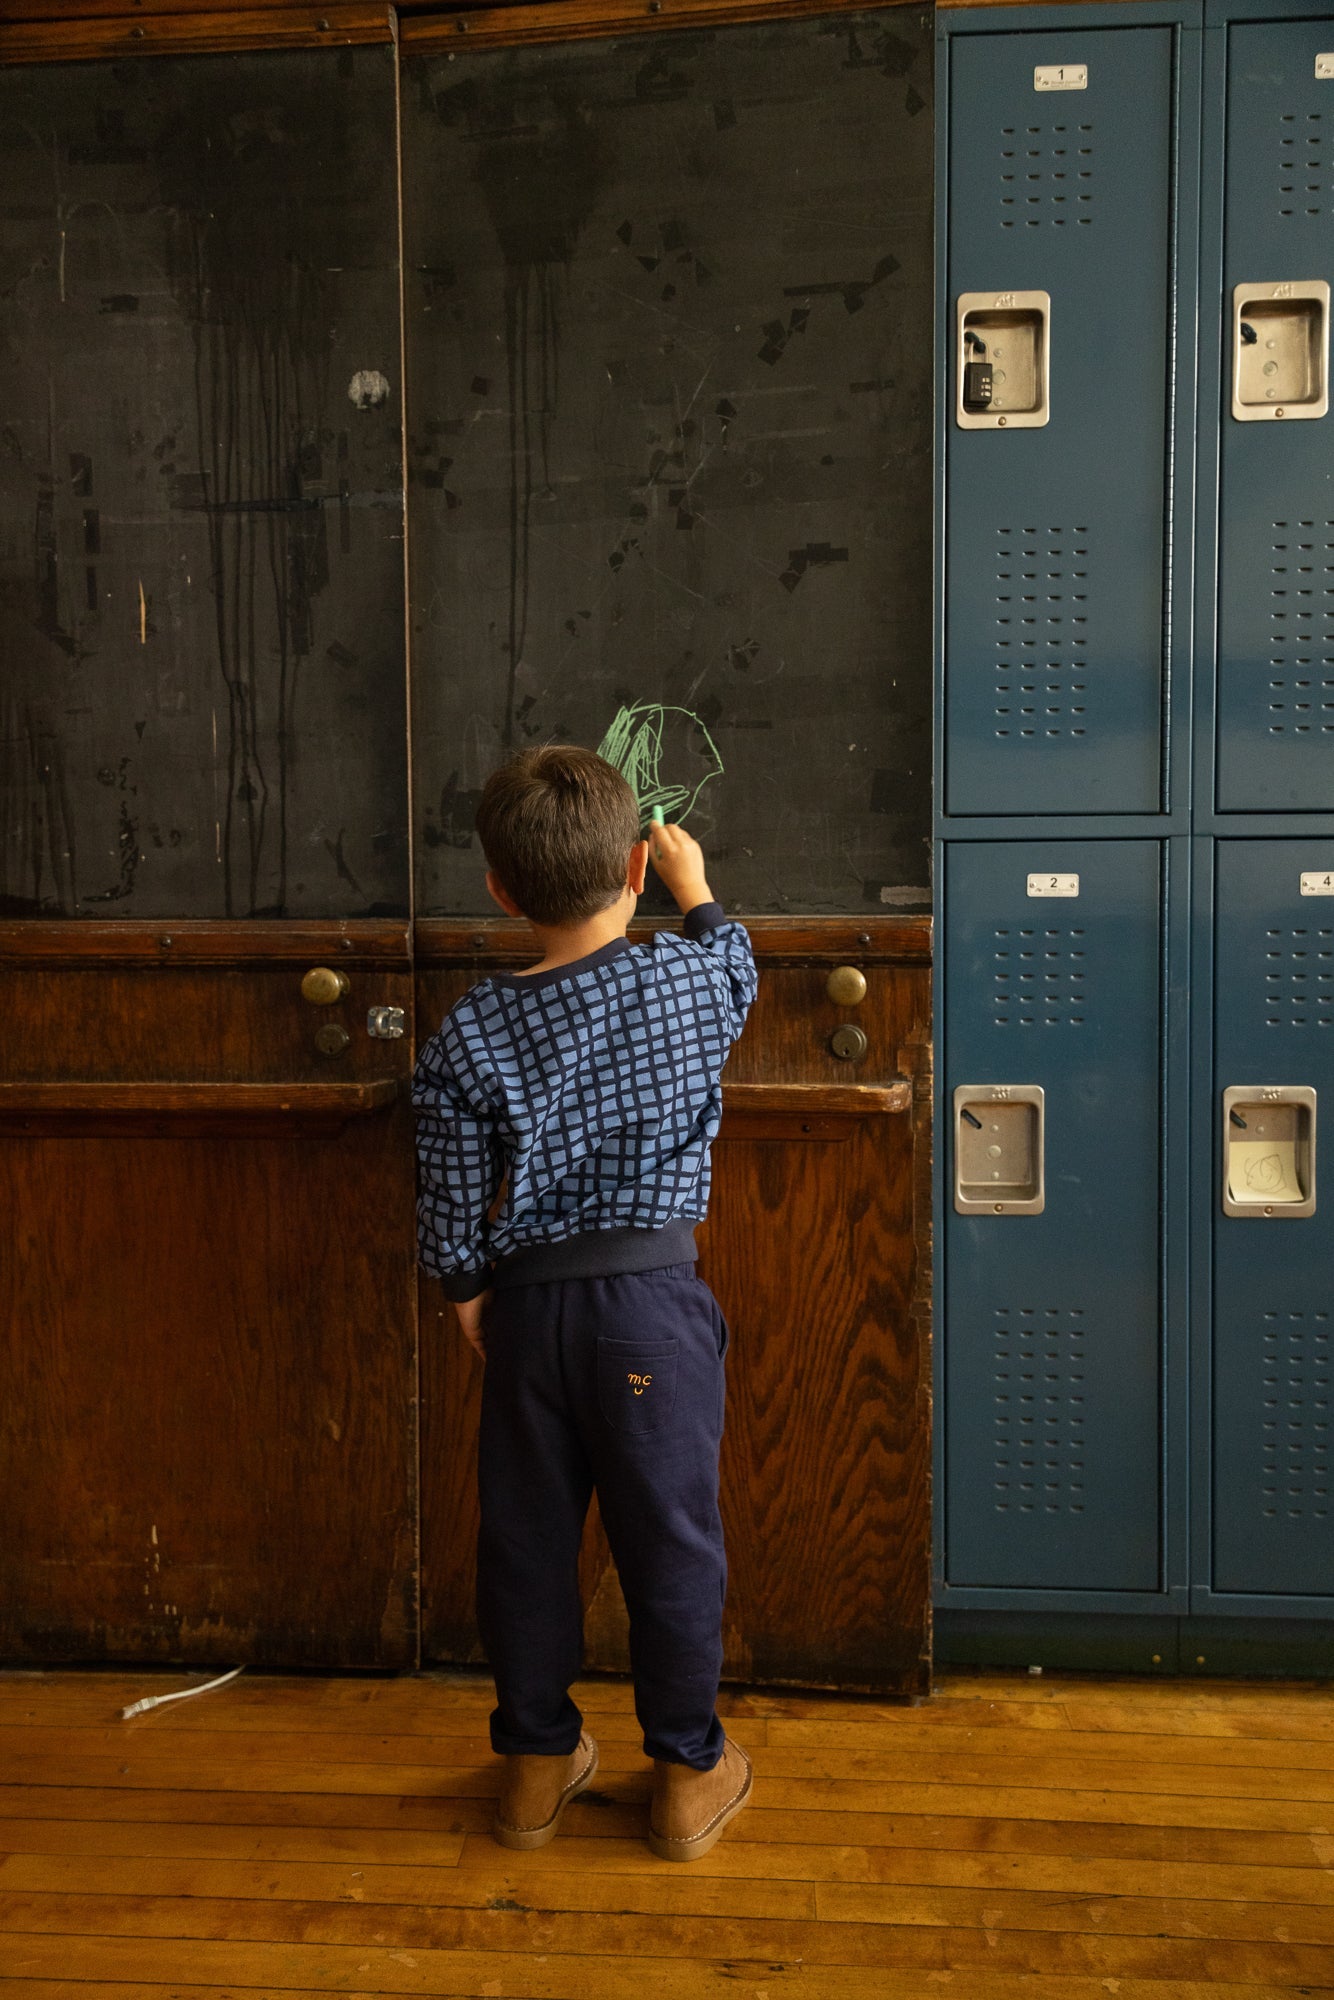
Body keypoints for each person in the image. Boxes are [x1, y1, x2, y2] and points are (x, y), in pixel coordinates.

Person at [412, 744, 758, 1862]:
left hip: (526, 1314)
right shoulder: (682, 979)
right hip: (651, 1302)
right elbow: (738, 968)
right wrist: (693, 885)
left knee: (521, 1539)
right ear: (631, 867)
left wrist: (468, 1292)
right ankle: (686, 1771)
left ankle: (532, 1761)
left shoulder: (468, 1028)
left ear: (499, 892)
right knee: (667, 1540)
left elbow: (451, 1185)